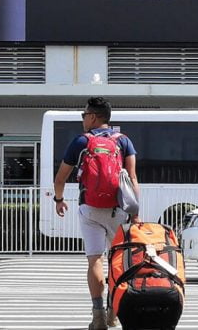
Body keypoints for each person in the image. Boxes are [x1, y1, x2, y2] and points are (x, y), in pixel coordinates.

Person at [52, 97, 139, 330]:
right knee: (117, 260)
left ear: (92, 116)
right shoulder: (124, 141)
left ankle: (98, 314)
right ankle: (114, 311)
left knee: (95, 260)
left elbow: (60, 178)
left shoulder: (81, 141)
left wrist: (59, 200)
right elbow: (132, 178)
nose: (83, 119)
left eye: (84, 115)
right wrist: (136, 213)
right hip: (118, 210)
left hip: (89, 208)